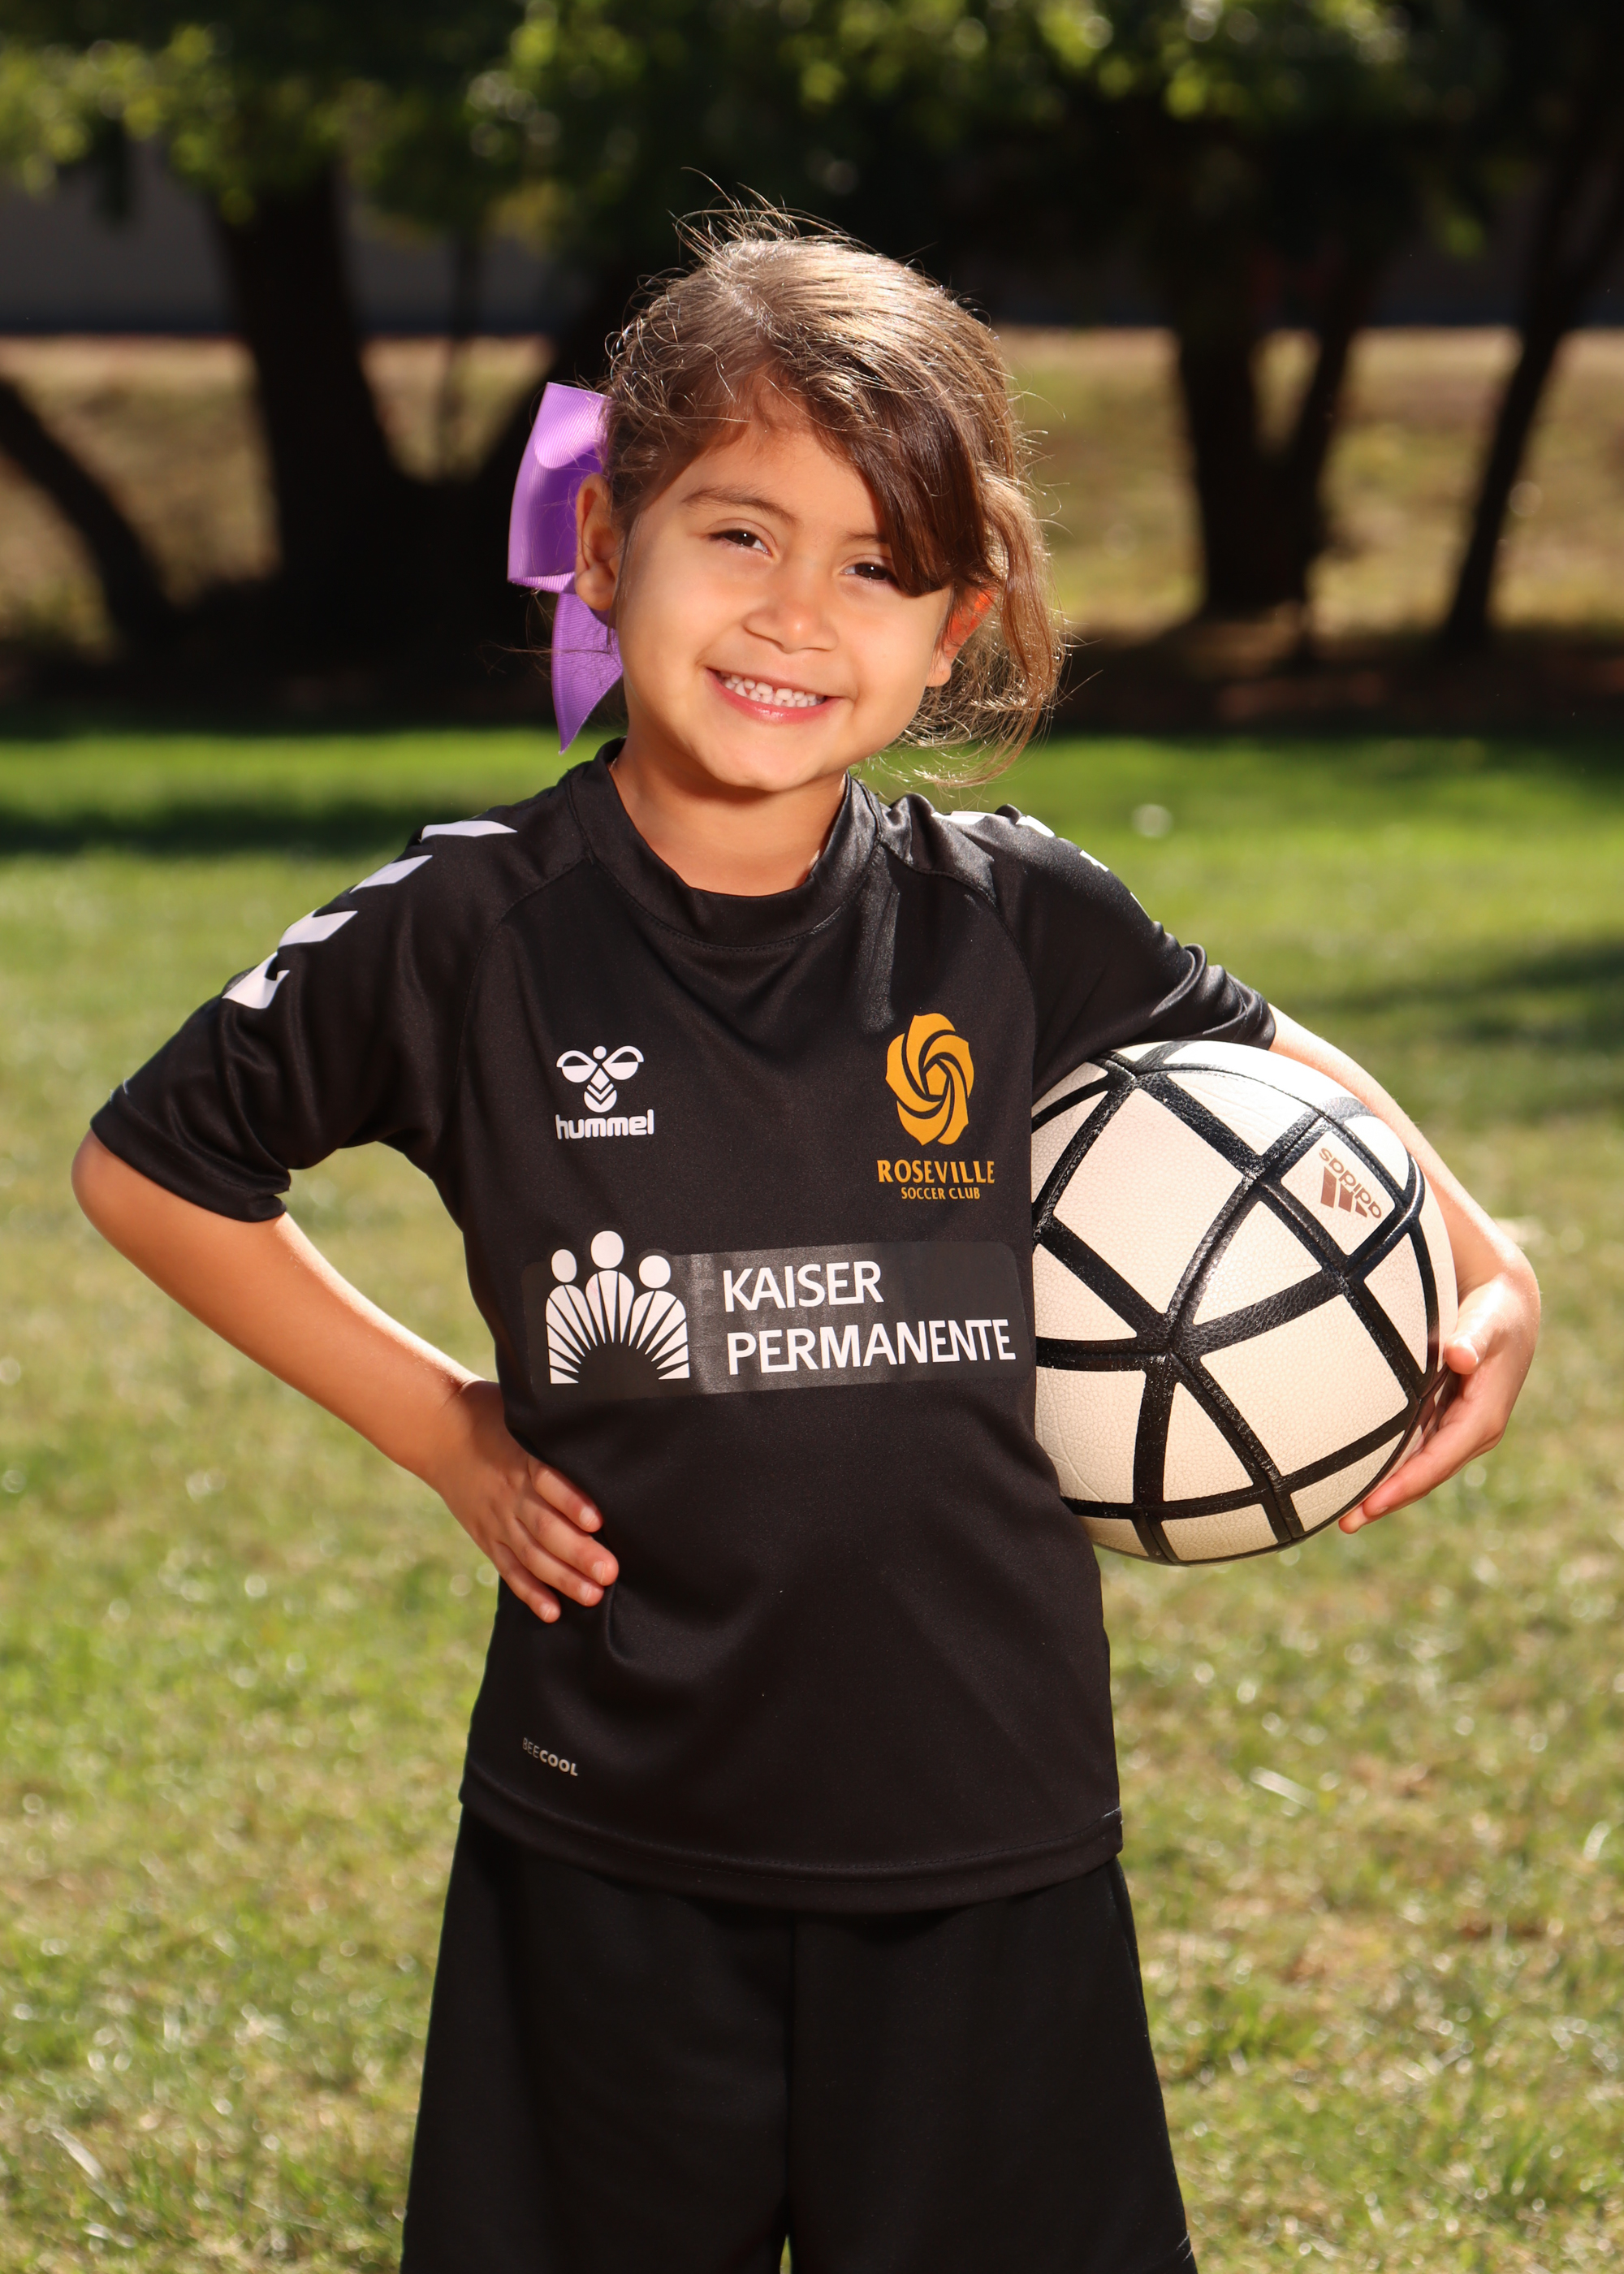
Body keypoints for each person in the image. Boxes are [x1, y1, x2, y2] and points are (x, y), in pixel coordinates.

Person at [72, 217, 1540, 2274]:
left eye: (875, 565)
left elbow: (1281, 1066)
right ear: (605, 548)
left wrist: (1488, 1263)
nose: (793, 612)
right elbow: (153, 1167)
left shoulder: (1010, 917)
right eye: (738, 532)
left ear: (955, 627)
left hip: (989, 1840)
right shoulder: (471, 929)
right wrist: (445, 1427)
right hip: (612, 1840)